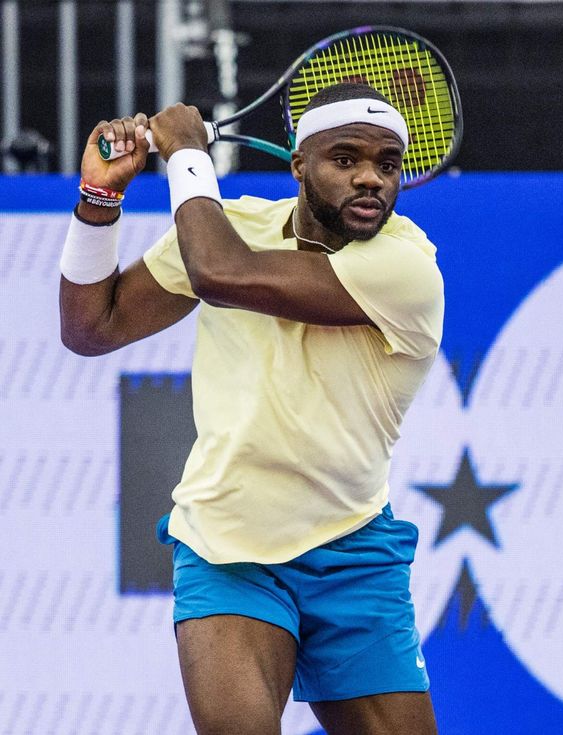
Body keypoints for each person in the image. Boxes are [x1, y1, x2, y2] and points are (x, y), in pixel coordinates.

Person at [58, 83, 443, 735]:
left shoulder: (407, 269)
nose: (370, 178)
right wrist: (99, 198)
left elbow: (221, 274)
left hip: (354, 552)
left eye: (387, 163)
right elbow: (92, 326)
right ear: (298, 165)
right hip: (226, 550)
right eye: (344, 159)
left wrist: (187, 156)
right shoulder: (235, 226)